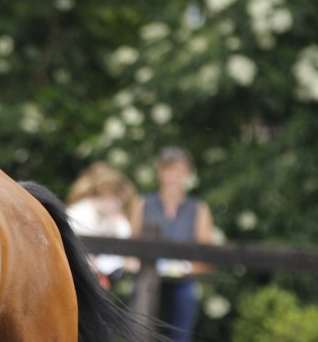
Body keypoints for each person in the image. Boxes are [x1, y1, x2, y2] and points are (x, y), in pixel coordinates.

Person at [129, 146, 215, 342]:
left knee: (184, 302)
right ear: (159, 173)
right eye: (168, 170)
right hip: (148, 278)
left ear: (188, 174)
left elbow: (206, 257)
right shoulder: (142, 203)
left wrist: (185, 268)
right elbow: (130, 247)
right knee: (141, 325)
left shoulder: (199, 209)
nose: (173, 177)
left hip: (182, 281)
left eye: (179, 171)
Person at [66, 161, 139, 291]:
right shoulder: (80, 214)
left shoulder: (105, 217)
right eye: (118, 202)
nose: (119, 207)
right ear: (107, 195)